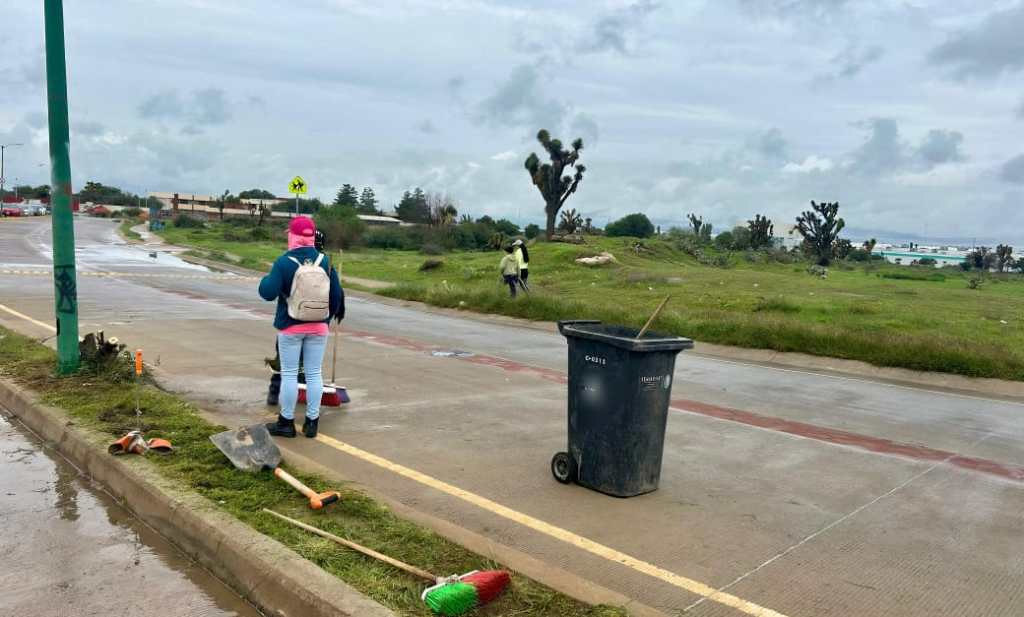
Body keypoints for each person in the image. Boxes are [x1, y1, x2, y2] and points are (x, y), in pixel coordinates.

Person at [259, 217, 343, 438]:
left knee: (289, 374)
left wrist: (266, 279)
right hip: (319, 328)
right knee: (315, 373)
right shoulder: (326, 262)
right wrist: (324, 319)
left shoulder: (284, 262)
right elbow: (336, 296)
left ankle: (286, 423)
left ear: (293, 236)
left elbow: (267, 293)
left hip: (290, 327)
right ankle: (312, 423)